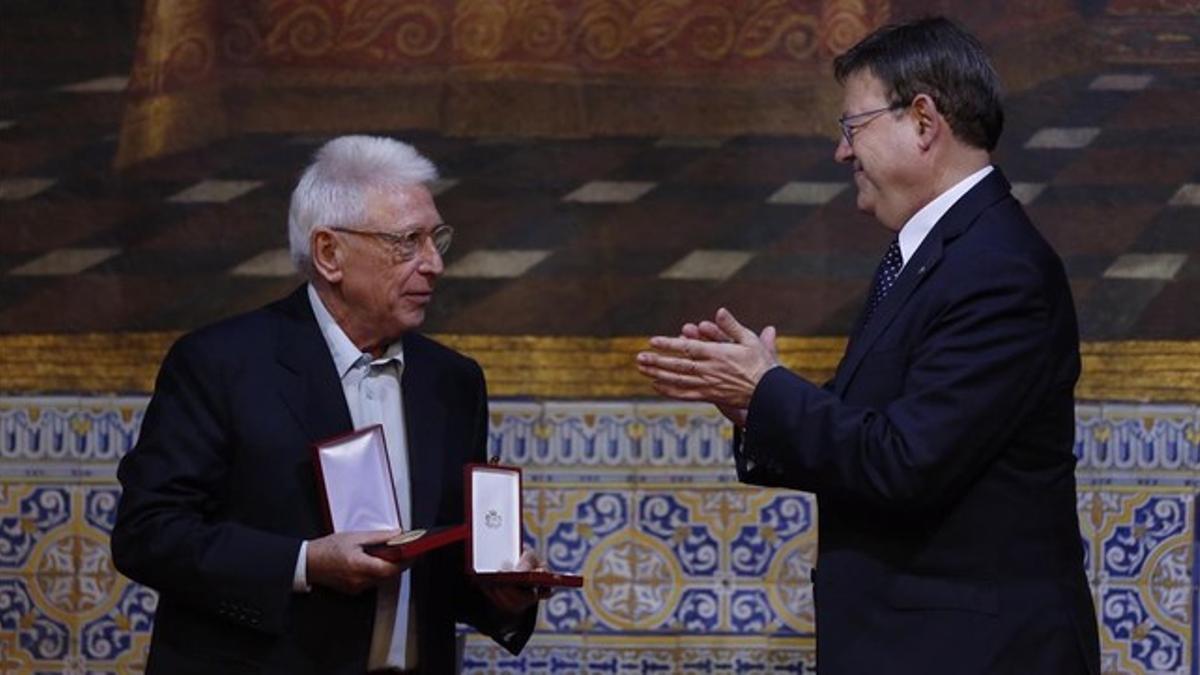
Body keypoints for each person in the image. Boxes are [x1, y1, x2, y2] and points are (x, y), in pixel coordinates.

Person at [636, 17, 1100, 675]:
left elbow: (905, 460)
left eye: (852, 127)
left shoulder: (1000, 268)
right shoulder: (939, 253)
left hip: (976, 653)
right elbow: (884, 430)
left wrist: (768, 390)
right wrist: (754, 406)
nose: (841, 152)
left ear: (922, 121)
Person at [112, 135, 544, 674]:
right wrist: (305, 563)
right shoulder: (222, 364)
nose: (434, 264)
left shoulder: (451, 381)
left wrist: (501, 592)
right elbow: (147, 534)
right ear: (329, 253)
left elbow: (439, 557)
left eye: (437, 239)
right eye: (408, 242)